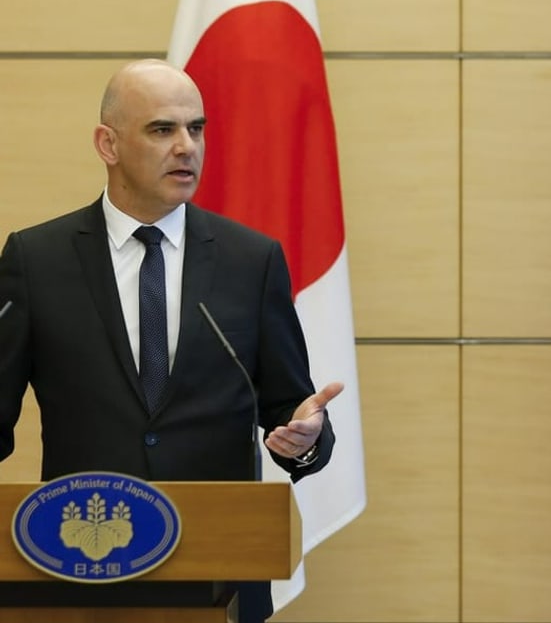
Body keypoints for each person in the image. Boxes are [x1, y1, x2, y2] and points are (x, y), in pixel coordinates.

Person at [0, 59, 343, 622]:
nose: (187, 147)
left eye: (197, 129)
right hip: (78, 570)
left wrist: (305, 437)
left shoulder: (250, 261)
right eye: (163, 130)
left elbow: (292, 409)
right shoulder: (37, 261)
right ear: (107, 144)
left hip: (219, 577)